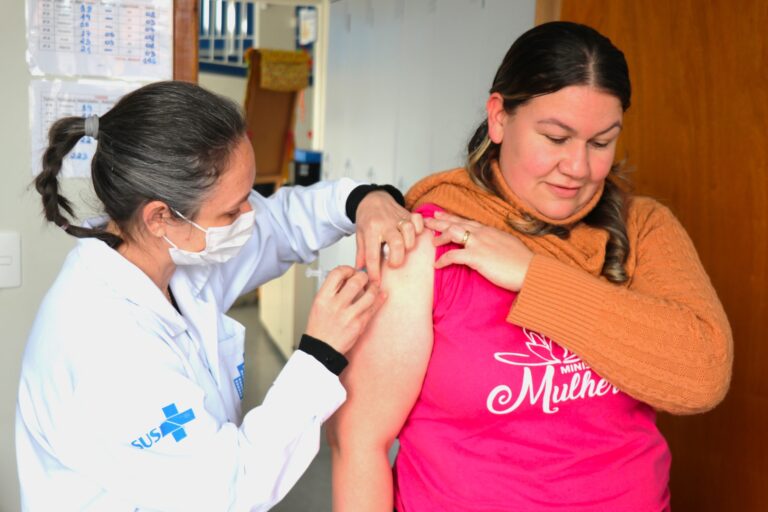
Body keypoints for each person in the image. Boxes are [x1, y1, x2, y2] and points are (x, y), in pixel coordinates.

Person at [327, 21, 733, 512]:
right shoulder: (428, 242)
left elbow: (703, 375)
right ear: (498, 118)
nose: (579, 167)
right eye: (556, 137)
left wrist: (532, 276)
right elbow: (358, 443)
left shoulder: (642, 229)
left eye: (601, 143)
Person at [15, 80, 424, 511]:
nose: (250, 215)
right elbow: (228, 492)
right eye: (232, 210)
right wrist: (321, 354)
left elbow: (282, 223)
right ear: (159, 217)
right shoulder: (104, 345)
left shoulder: (171, 254)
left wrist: (364, 201)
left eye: (248, 196)